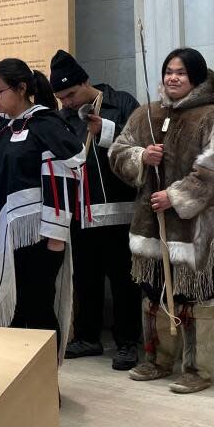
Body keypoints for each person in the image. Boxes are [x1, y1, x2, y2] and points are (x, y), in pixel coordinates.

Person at [108, 48, 214, 394]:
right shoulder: (145, 115)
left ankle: (198, 369)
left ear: (196, 77)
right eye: (169, 71)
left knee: (197, 298)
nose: (173, 78)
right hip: (149, 224)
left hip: (194, 227)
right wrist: (141, 156)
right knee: (154, 295)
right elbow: (117, 151)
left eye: (181, 72)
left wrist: (176, 196)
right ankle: (157, 359)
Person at [0, 59, 85, 354]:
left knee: (37, 309)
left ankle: (43, 384)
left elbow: (63, 180)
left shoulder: (46, 125)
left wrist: (56, 239)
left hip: (34, 239)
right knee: (7, 314)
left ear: (21, 89)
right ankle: (11, 378)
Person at [50, 49, 142, 370]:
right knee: (85, 277)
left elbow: (139, 143)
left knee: (123, 278)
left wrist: (103, 128)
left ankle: (128, 342)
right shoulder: (62, 116)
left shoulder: (123, 102)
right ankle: (87, 336)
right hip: (79, 208)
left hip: (118, 206)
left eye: (72, 94)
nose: (68, 102)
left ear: (86, 81)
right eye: (62, 98)